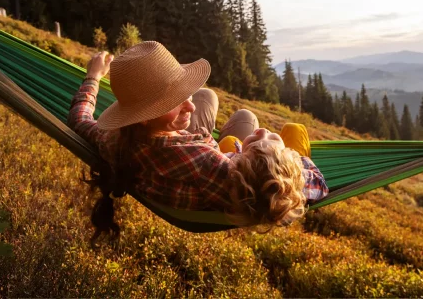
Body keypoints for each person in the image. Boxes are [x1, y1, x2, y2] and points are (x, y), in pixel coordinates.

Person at [68, 41, 328, 240]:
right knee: (284, 126)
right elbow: (305, 188)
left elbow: (80, 119)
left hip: (187, 156)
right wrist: (279, 151)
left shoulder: (114, 140)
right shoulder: (208, 165)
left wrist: (93, 77)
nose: (189, 107)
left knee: (206, 97)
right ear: (145, 117)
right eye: (174, 101)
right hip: (215, 163)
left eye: (184, 93)